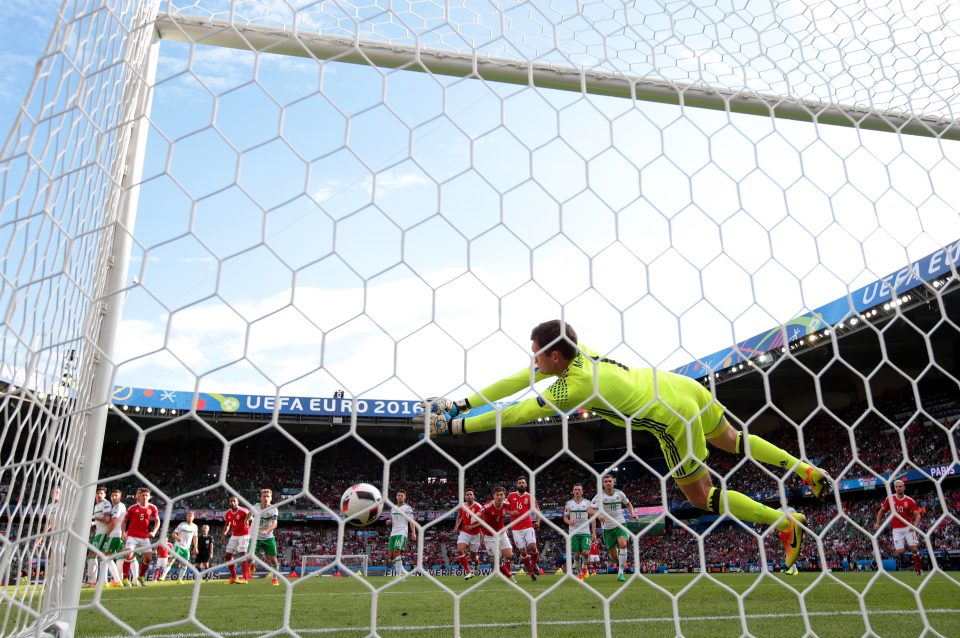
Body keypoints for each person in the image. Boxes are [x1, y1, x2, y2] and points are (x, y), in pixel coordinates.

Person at [414, 319, 831, 570]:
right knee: (735, 441)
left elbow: (522, 411)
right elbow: (518, 381)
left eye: (538, 354)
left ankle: (783, 523)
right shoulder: (579, 355)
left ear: (555, 357)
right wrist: (460, 405)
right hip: (680, 386)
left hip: (673, 419)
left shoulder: (576, 385)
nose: (534, 360)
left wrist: (458, 429)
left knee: (703, 497)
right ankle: (804, 470)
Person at [589, 474, 637, 581]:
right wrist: (598, 515)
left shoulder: (620, 494)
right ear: (603, 484)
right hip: (607, 527)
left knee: (623, 544)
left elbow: (628, 504)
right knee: (613, 556)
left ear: (613, 482)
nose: (608, 483)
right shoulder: (599, 496)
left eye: (610, 481)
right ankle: (620, 564)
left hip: (620, 523)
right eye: (605, 482)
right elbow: (589, 510)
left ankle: (620, 573)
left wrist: (632, 513)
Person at [874, 479, 923, 575]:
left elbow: (918, 515)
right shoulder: (889, 499)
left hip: (908, 527)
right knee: (900, 551)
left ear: (904, 487)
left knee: (914, 549)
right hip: (896, 529)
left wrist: (914, 526)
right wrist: (878, 523)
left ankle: (918, 569)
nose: (898, 488)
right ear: (894, 488)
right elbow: (882, 511)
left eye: (900, 486)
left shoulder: (909, 500)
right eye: (896, 487)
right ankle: (910, 559)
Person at [122, 487, 160, 586]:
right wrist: (123, 533)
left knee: (148, 558)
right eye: (142, 495)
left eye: (146, 495)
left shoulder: (152, 508)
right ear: (139, 497)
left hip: (144, 536)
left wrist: (154, 531)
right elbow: (125, 521)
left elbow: (157, 521)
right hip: (132, 536)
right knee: (129, 555)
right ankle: (125, 579)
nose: (144, 497)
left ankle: (141, 576)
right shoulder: (133, 508)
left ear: (149, 497)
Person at [478, 486, 516, 583]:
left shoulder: (507, 504)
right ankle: (509, 576)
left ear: (504, 496)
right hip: (489, 536)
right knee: (497, 557)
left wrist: (513, 512)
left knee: (509, 555)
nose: (499, 497)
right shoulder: (488, 505)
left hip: (502, 533)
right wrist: (475, 517)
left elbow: (510, 510)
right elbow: (480, 512)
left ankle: (502, 568)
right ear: (493, 496)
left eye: (501, 495)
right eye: (497, 495)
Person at [507, 476, 542, 581]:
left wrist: (538, 522)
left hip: (528, 526)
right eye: (519, 483)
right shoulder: (511, 496)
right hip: (516, 528)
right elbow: (505, 509)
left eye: (523, 483)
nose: (521, 484)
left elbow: (537, 511)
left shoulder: (530, 497)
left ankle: (534, 565)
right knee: (522, 552)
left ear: (526, 485)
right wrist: (511, 512)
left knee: (532, 546)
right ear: (517, 485)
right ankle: (531, 573)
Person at [564, 482, 595, 581]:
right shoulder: (569, 503)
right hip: (573, 532)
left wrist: (594, 532)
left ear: (582, 491)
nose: (577, 491)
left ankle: (585, 567)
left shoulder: (588, 502)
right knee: (576, 554)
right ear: (573, 492)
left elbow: (593, 518)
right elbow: (565, 517)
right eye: (575, 490)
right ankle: (579, 572)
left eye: (579, 490)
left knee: (586, 553)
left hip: (586, 532)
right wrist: (569, 522)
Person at [250, 488, 281, 586]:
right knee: (249, 558)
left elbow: (275, 524)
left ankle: (275, 578)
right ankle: (252, 565)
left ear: (271, 498)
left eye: (268, 496)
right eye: (264, 496)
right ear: (261, 498)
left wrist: (267, 531)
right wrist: (246, 521)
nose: (266, 498)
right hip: (255, 537)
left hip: (268, 537)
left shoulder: (273, 509)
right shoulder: (256, 507)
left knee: (273, 560)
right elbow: (249, 513)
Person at [453, 488, 483, 580]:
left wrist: (472, 527)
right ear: (465, 496)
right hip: (465, 532)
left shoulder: (478, 506)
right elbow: (459, 517)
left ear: (474, 496)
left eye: (471, 494)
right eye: (467, 494)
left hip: (476, 534)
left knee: (472, 557)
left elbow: (483, 522)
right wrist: (456, 527)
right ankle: (469, 571)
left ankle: (476, 562)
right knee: (460, 550)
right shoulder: (462, 506)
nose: (469, 496)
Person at [86, 485, 112, 587]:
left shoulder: (106, 504)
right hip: (99, 531)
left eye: (101, 493)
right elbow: (100, 520)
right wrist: (94, 522)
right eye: (97, 493)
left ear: (105, 495)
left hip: (103, 532)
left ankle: (92, 581)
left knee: (93, 555)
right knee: (101, 556)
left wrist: (94, 517)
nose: (99, 495)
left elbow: (107, 519)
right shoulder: (96, 506)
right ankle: (102, 581)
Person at [387, 489, 416, 578]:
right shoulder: (393, 508)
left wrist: (413, 533)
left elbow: (411, 521)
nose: (400, 497)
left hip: (402, 532)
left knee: (396, 552)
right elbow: (392, 520)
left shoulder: (408, 508)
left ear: (404, 497)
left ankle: (399, 576)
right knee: (391, 557)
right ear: (396, 497)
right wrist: (389, 522)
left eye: (402, 495)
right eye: (398, 495)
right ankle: (404, 572)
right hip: (393, 533)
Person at [223, 496, 252, 584]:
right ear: (229, 503)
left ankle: (245, 578)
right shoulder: (228, 513)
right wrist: (224, 534)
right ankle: (234, 577)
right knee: (228, 556)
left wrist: (250, 530)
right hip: (234, 535)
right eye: (231, 501)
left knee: (243, 554)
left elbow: (252, 520)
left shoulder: (244, 511)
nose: (233, 503)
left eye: (234, 501)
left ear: (238, 502)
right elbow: (227, 524)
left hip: (244, 535)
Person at [103, 489, 126, 587]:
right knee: (110, 557)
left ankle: (117, 580)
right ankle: (117, 579)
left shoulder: (119, 506)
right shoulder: (116, 507)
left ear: (120, 497)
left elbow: (114, 521)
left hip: (114, 534)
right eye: (112, 495)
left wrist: (107, 534)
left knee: (106, 557)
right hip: (117, 533)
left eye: (116, 495)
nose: (114, 497)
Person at [170, 511, 199, 582]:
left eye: (191, 516)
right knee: (171, 560)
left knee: (185, 564)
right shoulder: (182, 525)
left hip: (186, 548)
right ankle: (163, 575)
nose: (189, 517)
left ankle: (179, 579)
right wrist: (176, 538)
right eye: (188, 516)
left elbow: (195, 537)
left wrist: (195, 547)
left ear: (193, 517)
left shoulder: (195, 527)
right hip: (178, 546)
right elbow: (173, 534)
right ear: (186, 517)